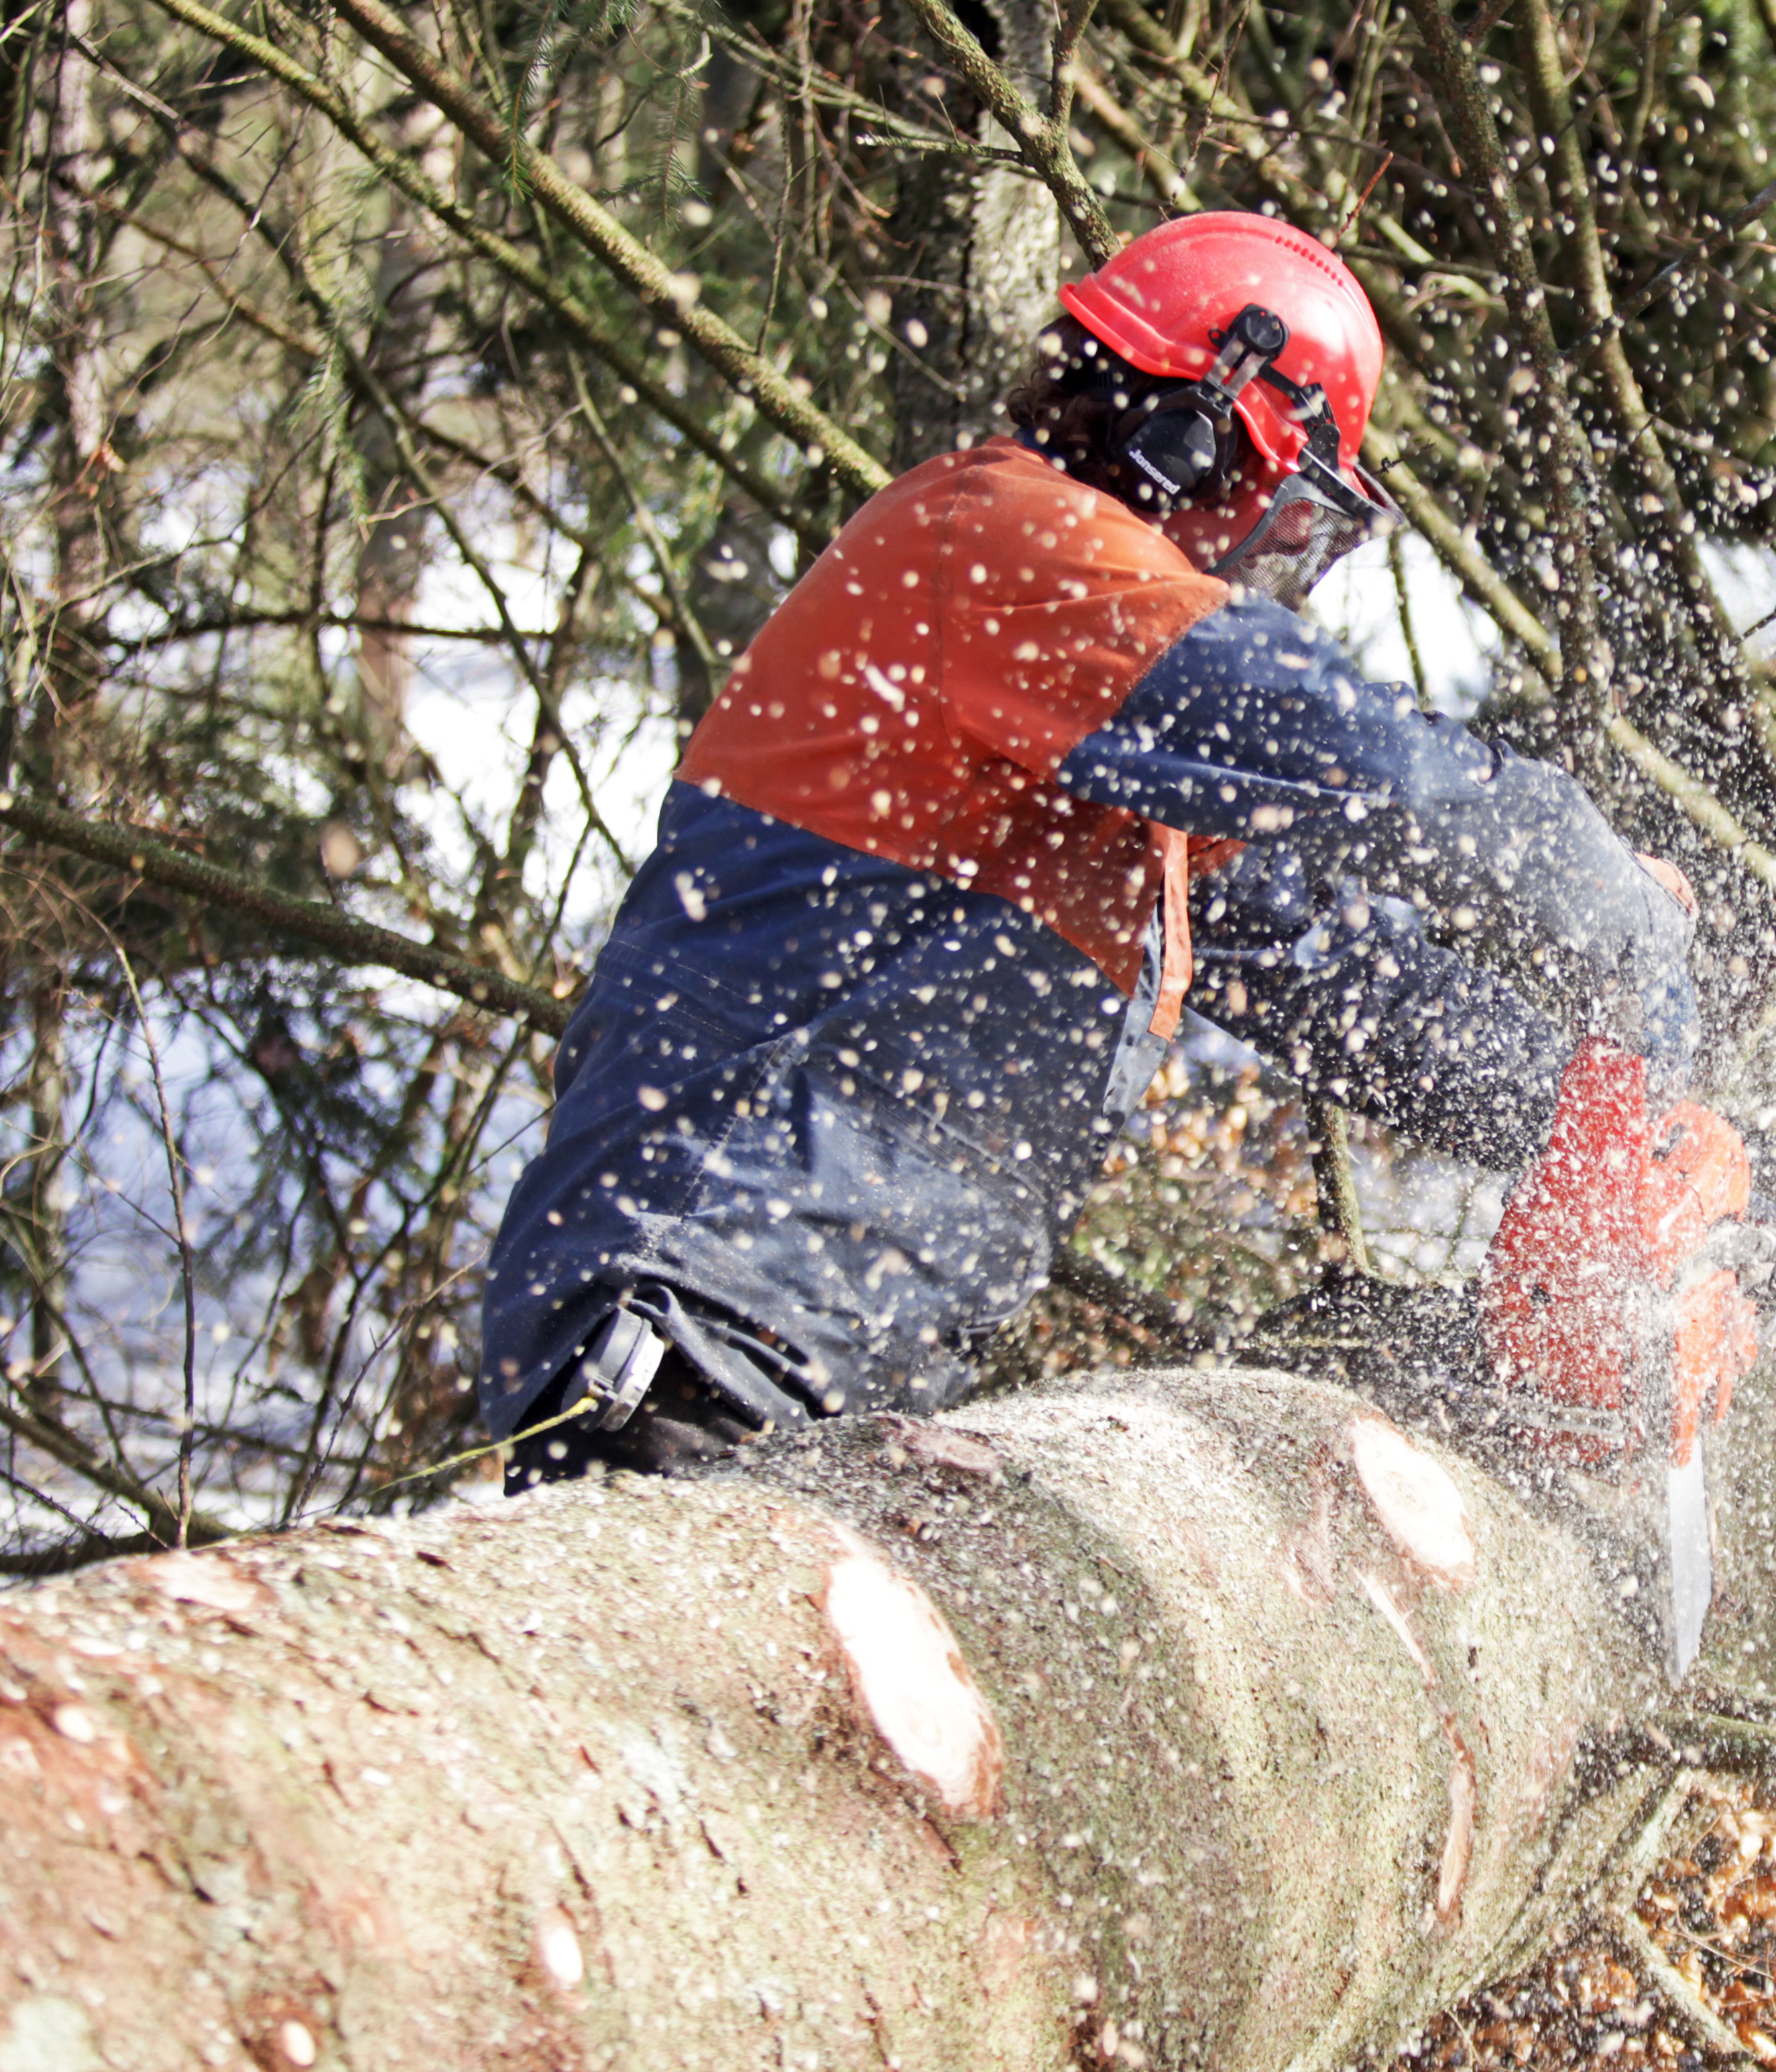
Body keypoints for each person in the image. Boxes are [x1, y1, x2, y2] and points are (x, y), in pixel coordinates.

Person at [478, 211, 1700, 1485]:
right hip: (692, 1313)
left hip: (819, 1350)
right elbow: (1366, 759)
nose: (1266, 565)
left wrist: (1612, 1129)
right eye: (1282, 518)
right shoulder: (1002, 543)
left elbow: (1331, 974)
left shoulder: (1095, 749)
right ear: (1193, 433)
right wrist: (1601, 888)